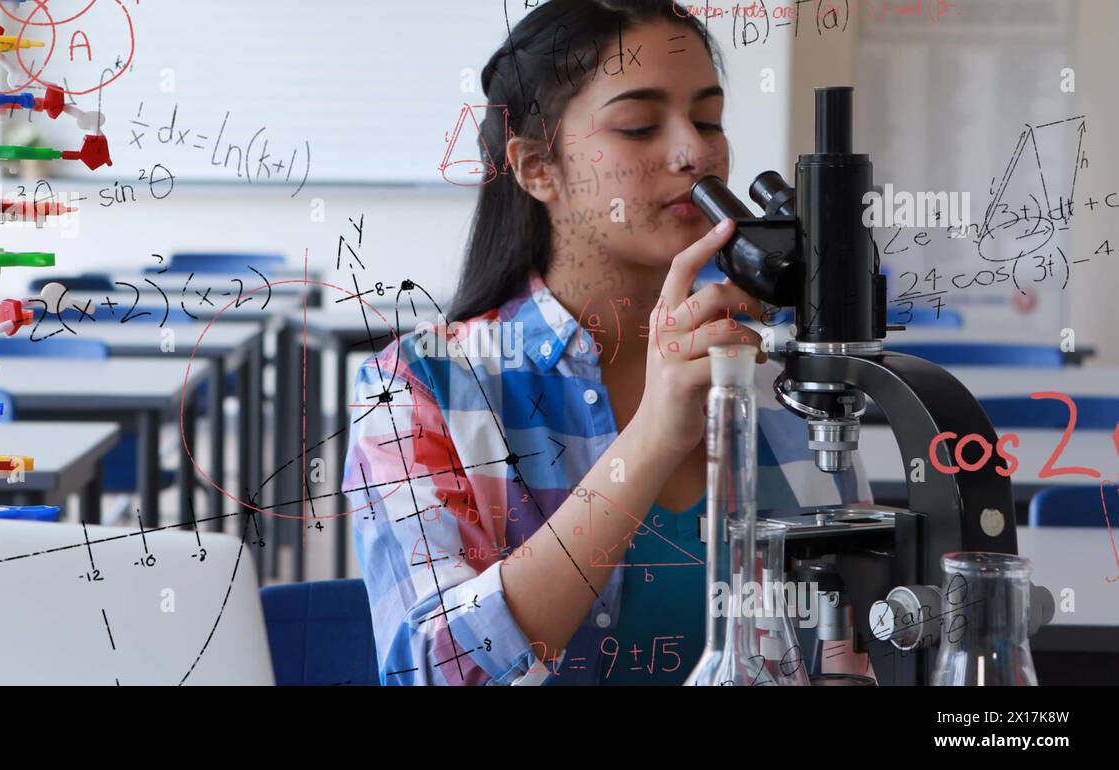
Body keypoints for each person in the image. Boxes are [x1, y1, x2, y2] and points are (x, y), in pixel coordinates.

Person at [342, 0, 873, 685]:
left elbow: (850, 656)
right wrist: (652, 436)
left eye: (708, 120)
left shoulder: (783, 379)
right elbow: (439, 673)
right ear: (537, 168)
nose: (693, 152)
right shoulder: (419, 387)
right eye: (639, 125)